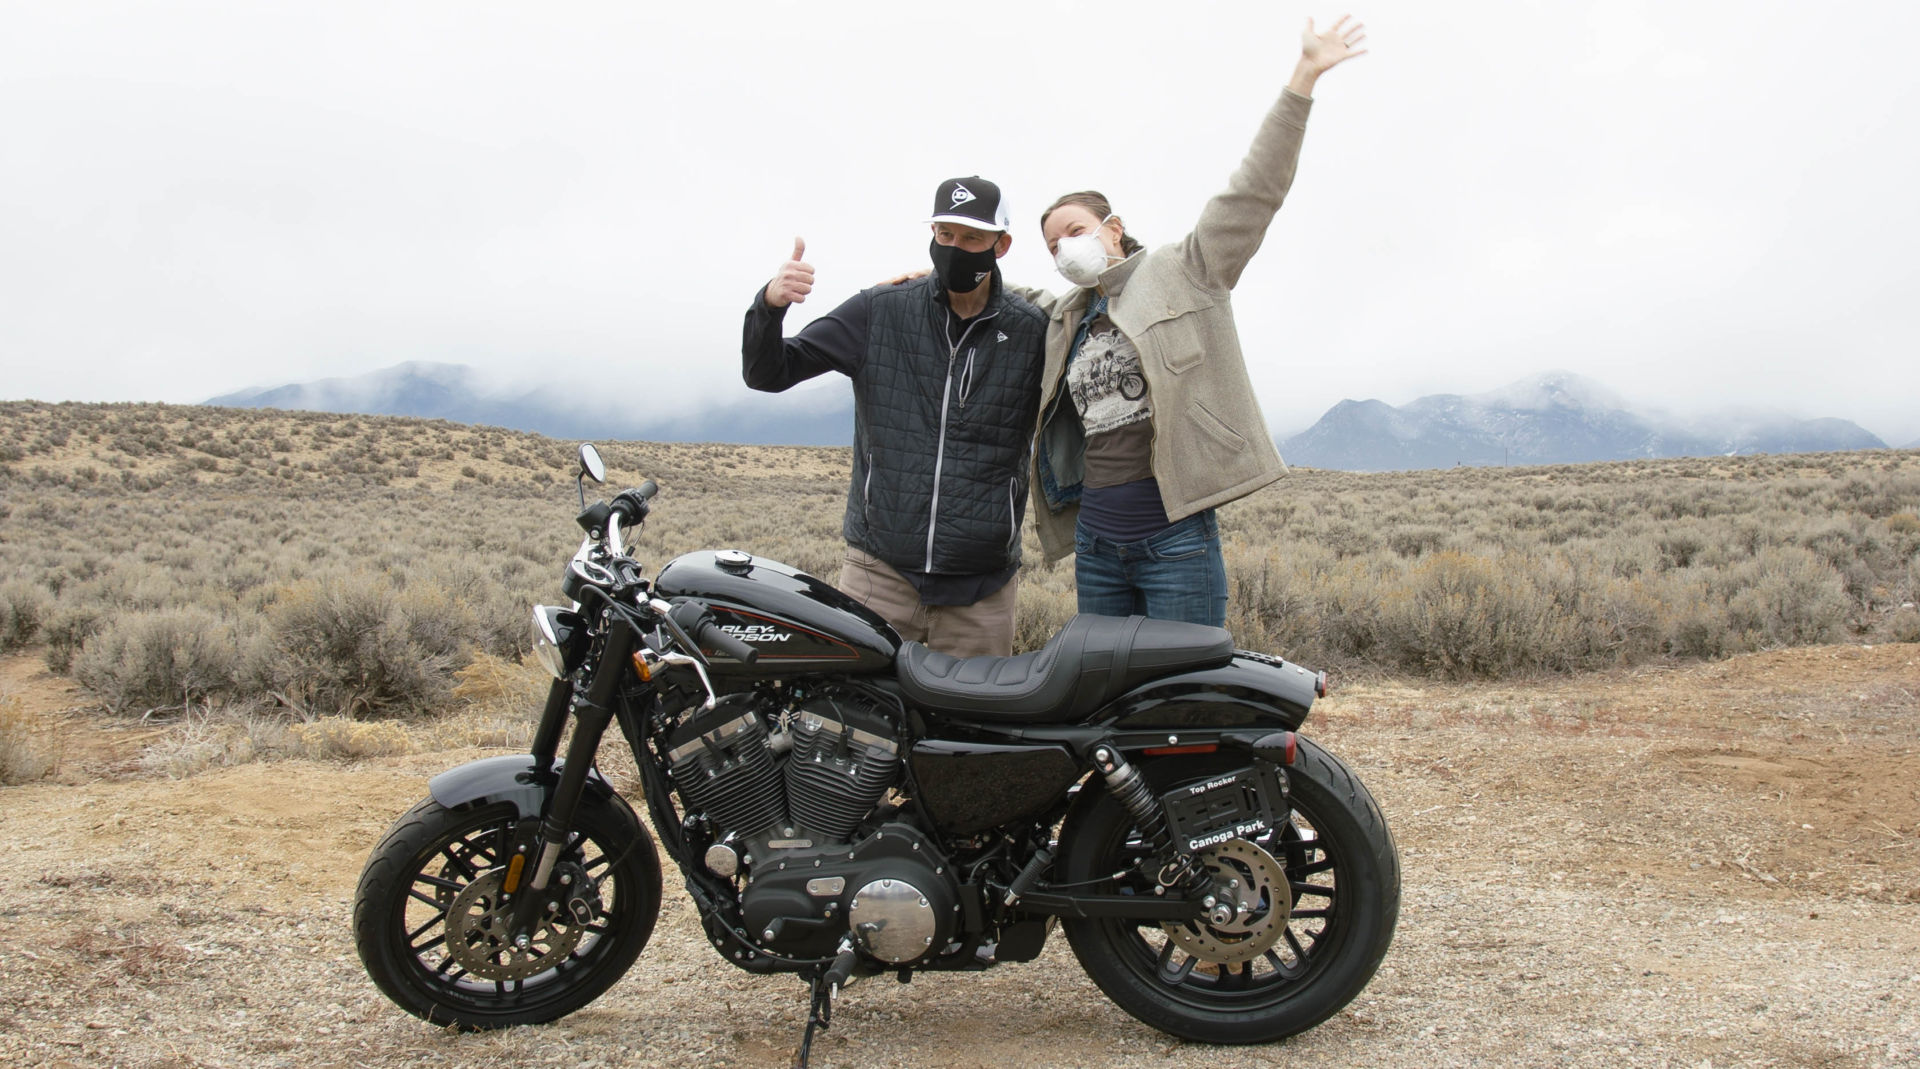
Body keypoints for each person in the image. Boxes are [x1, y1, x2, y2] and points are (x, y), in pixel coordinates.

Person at [1024, 17, 1367, 627]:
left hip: (1175, 539)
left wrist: (1303, 78)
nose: (1063, 251)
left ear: (1113, 226)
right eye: (1053, 246)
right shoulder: (1067, 317)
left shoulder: (1186, 269)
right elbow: (1008, 295)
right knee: (1110, 702)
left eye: (1074, 232)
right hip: (1097, 546)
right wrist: (923, 276)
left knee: (1187, 699)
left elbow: (1253, 193)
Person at [742, 177, 1048, 658]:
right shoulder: (879, 311)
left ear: (1001, 244)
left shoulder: (1032, 332)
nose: (954, 248)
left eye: (971, 238)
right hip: (878, 577)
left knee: (970, 729)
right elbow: (769, 372)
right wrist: (769, 306)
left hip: (982, 594)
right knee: (856, 724)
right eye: (944, 235)